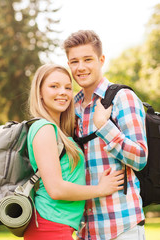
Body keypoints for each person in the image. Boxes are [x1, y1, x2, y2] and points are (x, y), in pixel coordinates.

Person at [23, 63, 124, 240]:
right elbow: (56, 189)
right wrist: (100, 189)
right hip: (49, 227)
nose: (63, 92)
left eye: (68, 87)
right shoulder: (44, 128)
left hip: (58, 227)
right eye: (54, 86)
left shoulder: (59, 131)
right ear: (39, 92)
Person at [63, 30, 148, 240]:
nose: (80, 67)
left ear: (101, 60)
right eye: (74, 61)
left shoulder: (122, 98)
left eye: (87, 59)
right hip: (87, 230)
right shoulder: (72, 107)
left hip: (122, 225)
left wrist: (104, 126)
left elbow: (140, 158)